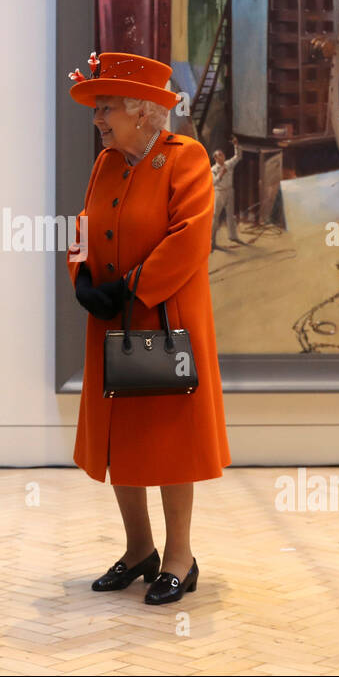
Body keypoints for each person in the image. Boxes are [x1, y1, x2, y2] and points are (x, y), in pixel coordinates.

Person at [66, 53, 230, 605]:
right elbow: (81, 225)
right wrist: (80, 275)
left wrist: (132, 287)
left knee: (168, 438)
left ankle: (180, 556)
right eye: (98, 108)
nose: (99, 118)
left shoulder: (185, 158)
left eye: (106, 107)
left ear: (142, 110)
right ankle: (140, 550)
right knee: (121, 438)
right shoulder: (106, 162)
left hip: (162, 321)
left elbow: (188, 237)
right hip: (112, 323)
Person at [210, 141, 243, 248]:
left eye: (223, 155)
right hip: (219, 192)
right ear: (215, 158)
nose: (222, 157)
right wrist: (220, 175)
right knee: (215, 216)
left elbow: (238, 156)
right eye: (219, 155)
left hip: (229, 191)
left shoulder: (228, 164)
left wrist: (236, 145)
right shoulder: (213, 170)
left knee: (230, 214)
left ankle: (232, 236)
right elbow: (213, 183)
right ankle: (212, 241)